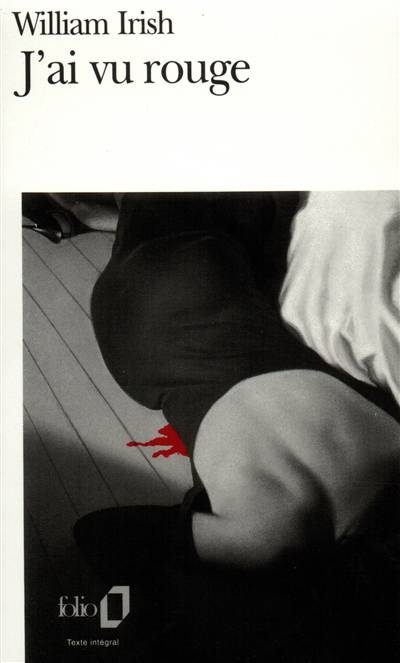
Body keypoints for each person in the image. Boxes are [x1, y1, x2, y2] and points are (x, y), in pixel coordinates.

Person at [72, 192, 399, 662]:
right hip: (161, 323)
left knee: (224, 189)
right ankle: (105, 212)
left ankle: (105, 209)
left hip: (234, 307)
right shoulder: (259, 544)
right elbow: (100, 533)